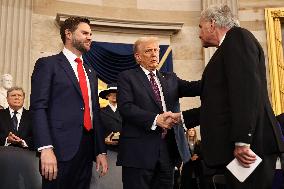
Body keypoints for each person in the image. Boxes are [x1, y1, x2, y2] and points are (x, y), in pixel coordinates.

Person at [173, 4, 284, 189]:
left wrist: (242, 141)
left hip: (248, 151)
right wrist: (182, 117)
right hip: (239, 151)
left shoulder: (237, 37)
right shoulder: (229, 47)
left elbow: (245, 92)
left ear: (212, 23)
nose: (199, 33)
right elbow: (220, 103)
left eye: (200, 27)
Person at [30, 16, 108, 189]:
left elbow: (94, 111)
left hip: (86, 151)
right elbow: (38, 108)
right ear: (69, 34)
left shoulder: (91, 72)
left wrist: (100, 150)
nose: (90, 37)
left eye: (91, 34)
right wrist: (45, 148)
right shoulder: (47, 65)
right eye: (85, 33)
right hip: (58, 150)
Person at [117, 36, 201, 189]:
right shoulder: (127, 77)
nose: (154, 54)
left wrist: (219, 76)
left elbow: (196, 87)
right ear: (138, 56)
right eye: (149, 51)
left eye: (156, 50)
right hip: (138, 153)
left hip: (167, 152)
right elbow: (126, 107)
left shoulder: (170, 78)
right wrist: (156, 119)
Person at [93, 83, 123, 189]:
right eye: (111, 93)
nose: (114, 95)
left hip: (125, 151)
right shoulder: (101, 112)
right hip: (108, 152)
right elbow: (97, 132)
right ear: (107, 96)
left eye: (116, 93)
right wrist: (105, 140)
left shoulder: (127, 111)